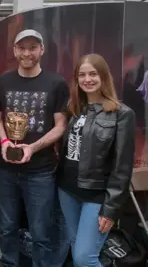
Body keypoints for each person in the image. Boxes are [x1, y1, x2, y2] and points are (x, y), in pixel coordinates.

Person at [0, 29, 70, 267]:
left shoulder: (56, 83)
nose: (27, 53)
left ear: (42, 50)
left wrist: (33, 147)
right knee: (7, 228)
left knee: (41, 232)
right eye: (22, 48)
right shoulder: (2, 82)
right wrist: (5, 141)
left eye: (33, 48)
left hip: (41, 171)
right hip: (6, 170)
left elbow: (61, 126)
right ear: (15, 50)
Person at [57, 53, 135, 266]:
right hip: (67, 191)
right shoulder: (74, 108)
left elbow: (122, 168)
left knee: (85, 257)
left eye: (93, 74)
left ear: (103, 77)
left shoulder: (122, 114)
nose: (87, 79)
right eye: (82, 75)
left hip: (97, 197)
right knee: (76, 248)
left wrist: (110, 210)